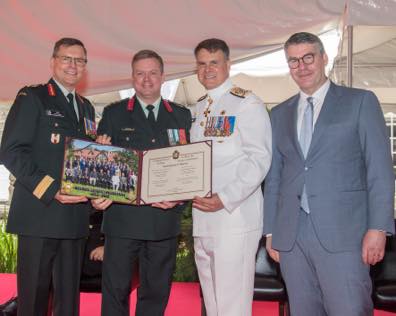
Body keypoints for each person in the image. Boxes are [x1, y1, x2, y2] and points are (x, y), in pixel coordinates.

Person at [264, 31, 395, 316]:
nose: (302, 66)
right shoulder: (279, 113)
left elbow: (380, 171)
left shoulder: (360, 102)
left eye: (308, 57)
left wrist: (378, 228)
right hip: (291, 237)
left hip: (346, 235)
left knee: (349, 310)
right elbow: (275, 177)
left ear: (324, 58)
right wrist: (271, 231)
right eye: (294, 61)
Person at [92, 49, 192, 316]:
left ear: (162, 76)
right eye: (140, 73)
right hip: (123, 220)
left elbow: (188, 166)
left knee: (156, 293)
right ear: (132, 77)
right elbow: (103, 166)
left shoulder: (181, 115)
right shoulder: (114, 114)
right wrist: (97, 189)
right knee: (115, 292)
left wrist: (180, 198)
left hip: (163, 219)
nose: (146, 79)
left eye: (152, 73)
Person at [0, 37, 95, 316]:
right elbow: (11, 151)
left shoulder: (86, 107)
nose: (73, 65)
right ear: (53, 62)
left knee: (69, 302)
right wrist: (51, 189)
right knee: (33, 301)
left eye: (79, 60)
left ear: (85, 67)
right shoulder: (33, 97)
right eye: (67, 58)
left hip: (74, 219)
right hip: (39, 215)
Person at [190, 38, 272, 316]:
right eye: (201, 63)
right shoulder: (198, 109)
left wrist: (224, 198)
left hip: (233, 217)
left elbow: (259, 158)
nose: (207, 69)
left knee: (232, 304)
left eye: (214, 62)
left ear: (228, 64)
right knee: (212, 303)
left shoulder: (246, 103)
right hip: (203, 219)